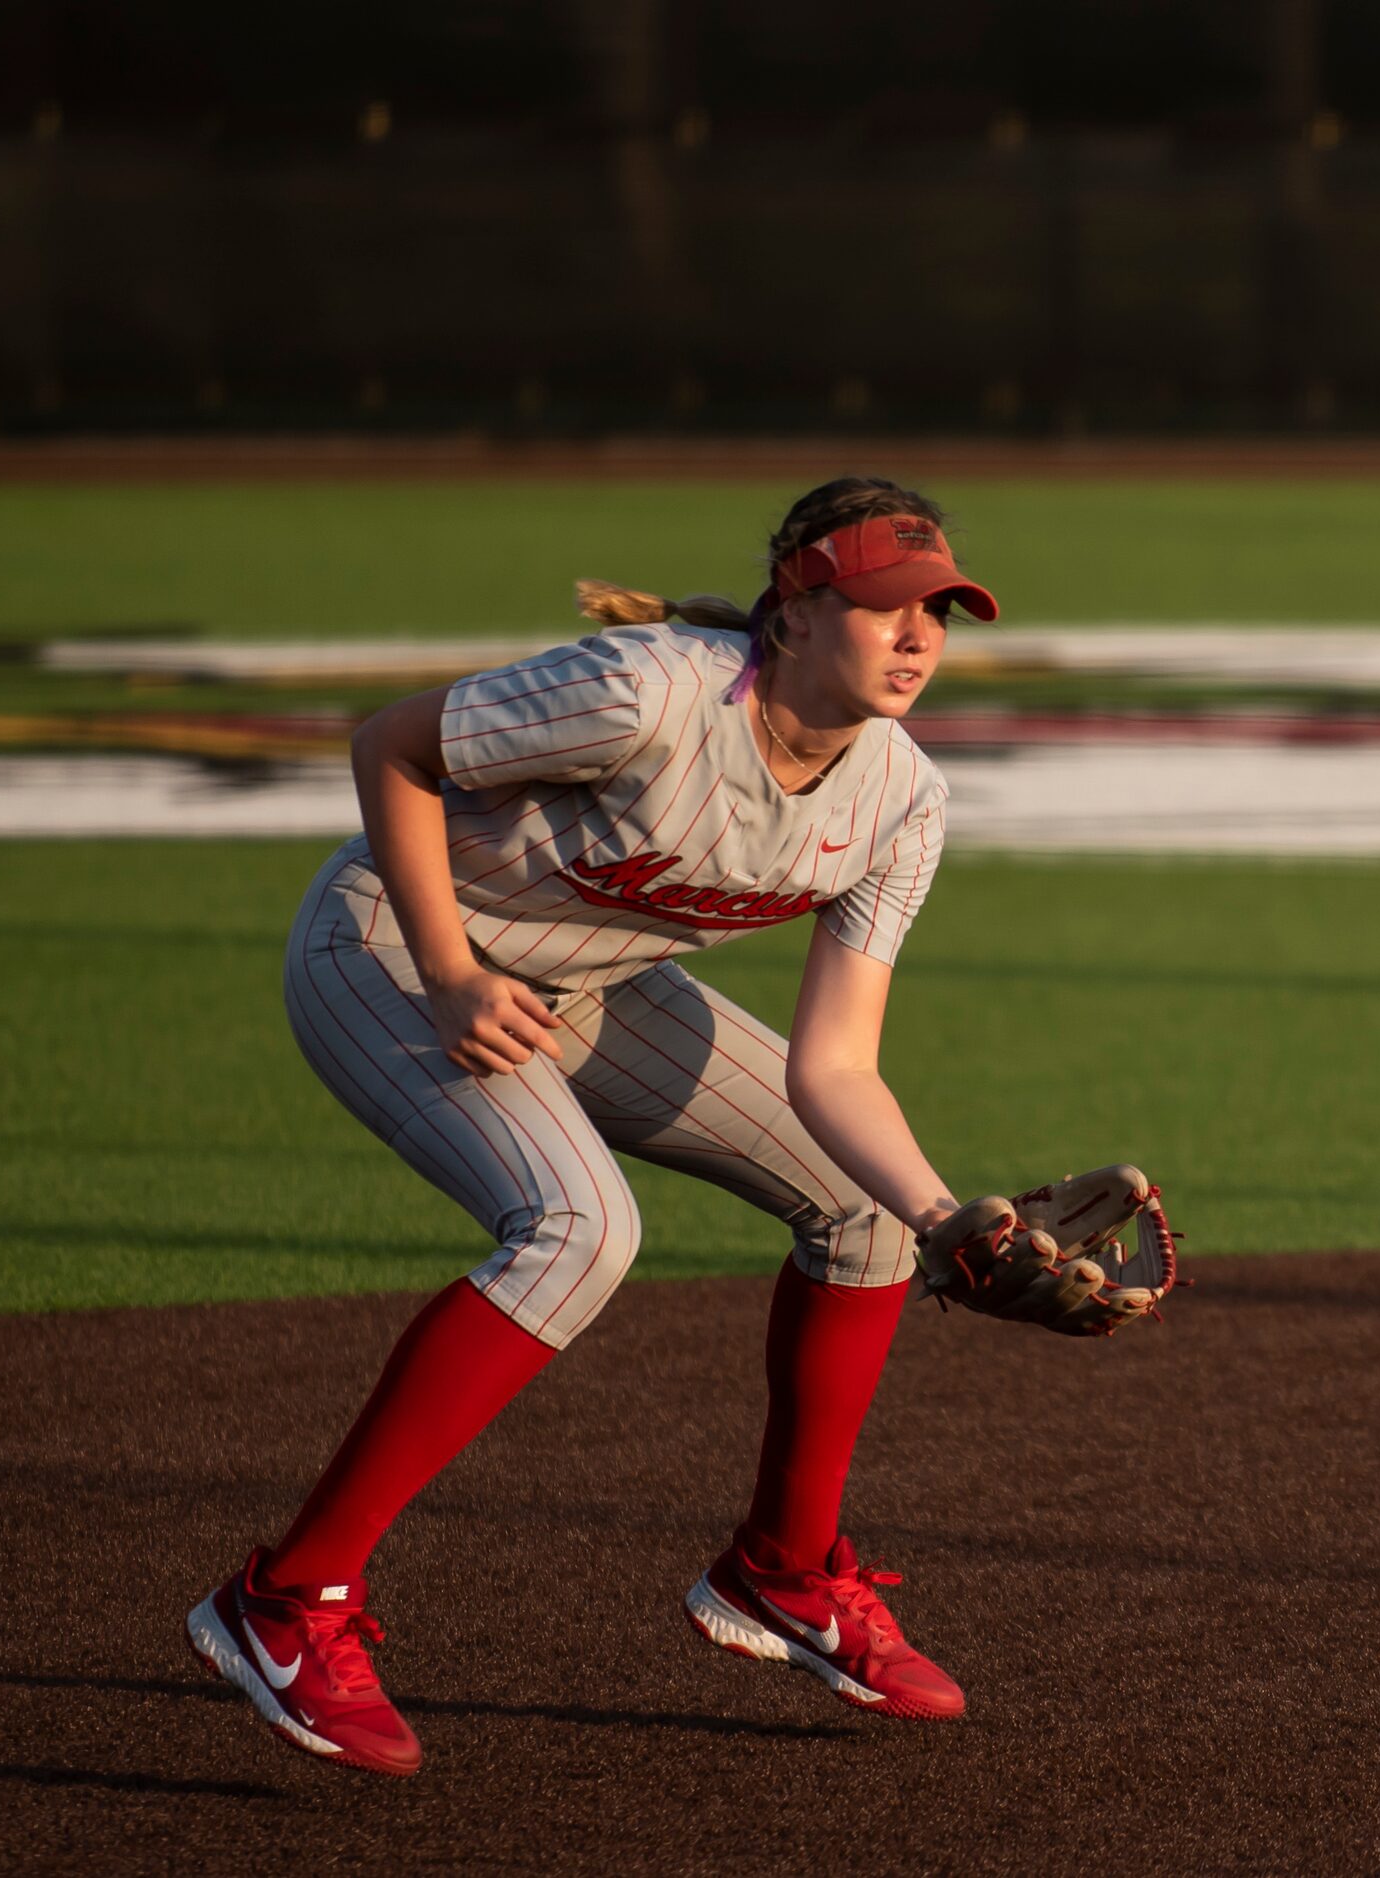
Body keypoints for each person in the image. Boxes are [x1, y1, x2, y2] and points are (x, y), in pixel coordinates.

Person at [186, 476, 997, 1776]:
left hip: (587, 989)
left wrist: (942, 1213)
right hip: (393, 947)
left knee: (861, 1209)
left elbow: (838, 1068)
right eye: (883, 605)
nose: (917, 637)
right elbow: (388, 744)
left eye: (938, 613)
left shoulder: (900, 801)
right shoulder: (647, 690)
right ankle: (286, 1601)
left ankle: (781, 1572)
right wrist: (452, 972)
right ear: (794, 609)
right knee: (579, 1228)